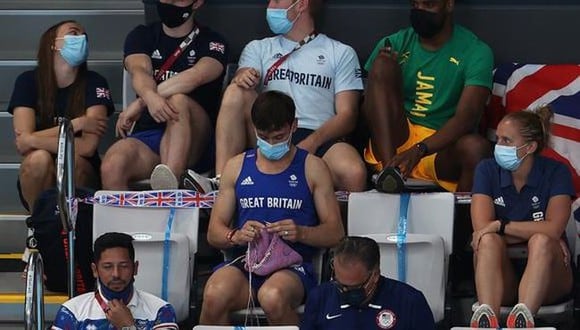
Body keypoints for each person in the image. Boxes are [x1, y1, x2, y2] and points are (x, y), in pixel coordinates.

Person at [183, 0, 366, 194]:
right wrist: (242, 76)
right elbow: (244, 73)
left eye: (277, 0)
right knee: (236, 91)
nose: (270, 5)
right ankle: (221, 182)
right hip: (268, 132)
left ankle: (326, 219)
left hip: (317, 134)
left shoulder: (340, 52)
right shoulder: (258, 48)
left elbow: (348, 115)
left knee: (353, 172)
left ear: (301, 4)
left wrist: (312, 143)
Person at [199, 90, 344, 326]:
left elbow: (336, 232)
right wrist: (235, 235)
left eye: (278, 136)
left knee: (272, 296)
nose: (271, 143)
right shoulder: (236, 166)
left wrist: (302, 232)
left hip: (292, 268)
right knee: (214, 294)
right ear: (254, 128)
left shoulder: (313, 167)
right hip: (245, 263)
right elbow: (214, 233)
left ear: (294, 126)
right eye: (264, 136)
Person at [363, 0, 493, 193]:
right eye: (415, 5)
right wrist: (384, 77)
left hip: (440, 149)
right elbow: (367, 107)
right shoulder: (396, 42)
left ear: (449, 5)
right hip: (393, 142)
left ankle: (463, 221)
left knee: (476, 148)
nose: (420, 10)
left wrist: (419, 150)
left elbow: (467, 118)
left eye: (429, 4)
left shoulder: (476, 51)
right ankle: (390, 173)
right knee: (382, 64)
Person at [100, 0, 228, 190]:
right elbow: (139, 71)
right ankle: (133, 219)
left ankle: (168, 186)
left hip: (195, 138)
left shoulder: (213, 41)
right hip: (150, 133)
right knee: (112, 166)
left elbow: (194, 77)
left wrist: (141, 102)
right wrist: (150, 99)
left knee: (178, 100)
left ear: (197, 3)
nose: (168, 2)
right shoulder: (142, 35)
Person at [470, 107, 575, 328]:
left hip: (551, 279)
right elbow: (481, 230)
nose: (499, 146)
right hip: (503, 275)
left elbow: (553, 230)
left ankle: (523, 320)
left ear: (530, 147)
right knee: (488, 241)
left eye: (506, 140)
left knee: (542, 241)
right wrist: (532, 229)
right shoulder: (486, 170)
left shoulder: (557, 172)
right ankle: (486, 318)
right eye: (497, 139)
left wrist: (501, 226)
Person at [7, 20, 114, 212]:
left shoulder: (95, 82)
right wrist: (76, 124)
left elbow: (87, 147)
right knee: (38, 159)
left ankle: (75, 228)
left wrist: (33, 138)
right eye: (73, 33)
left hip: (83, 171)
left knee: (74, 161)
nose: (80, 39)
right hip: (40, 173)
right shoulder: (27, 81)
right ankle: (37, 225)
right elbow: (24, 144)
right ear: (53, 44)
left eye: (84, 37)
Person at [301, 236, 435, 330]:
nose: (345, 291)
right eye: (339, 284)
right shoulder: (319, 298)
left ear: (375, 275)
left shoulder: (410, 302)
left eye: (353, 287)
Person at [51, 232, 178, 329]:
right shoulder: (72, 311)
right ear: (95, 270)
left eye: (123, 266)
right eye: (108, 267)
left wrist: (127, 326)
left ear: (135, 268)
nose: (116, 274)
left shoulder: (160, 310)